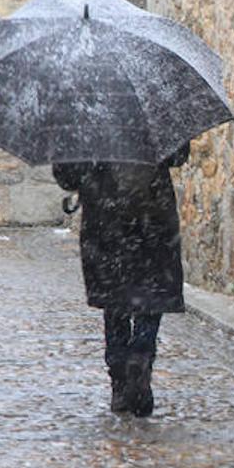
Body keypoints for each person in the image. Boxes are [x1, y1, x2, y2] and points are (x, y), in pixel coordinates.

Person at [53, 142, 191, 417]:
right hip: (153, 214)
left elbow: (66, 175)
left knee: (115, 300)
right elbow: (178, 155)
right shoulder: (156, 109)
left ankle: (119, 377)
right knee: (151, 295)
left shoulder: (86, 114)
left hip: (105, 218)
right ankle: (140, 356)